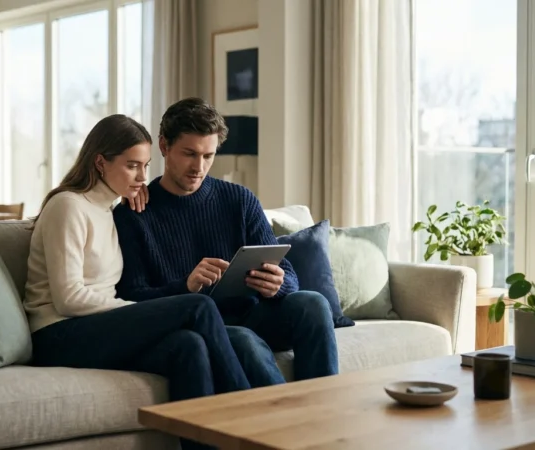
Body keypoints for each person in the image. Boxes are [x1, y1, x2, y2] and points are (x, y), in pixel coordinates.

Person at [24, 114, 251, 450]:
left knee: (189, 346)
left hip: (95, 327)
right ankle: (251, 417)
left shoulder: (110, 209)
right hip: (58, 333)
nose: (143, 177)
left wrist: (129, 196)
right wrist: (133, 308)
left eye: (146, 166)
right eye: (132, 166)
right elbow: (68, 299)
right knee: (198, 306)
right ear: (101, 162)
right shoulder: (68, 207)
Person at [112, 98, 339, 383]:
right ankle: (284, 423)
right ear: (164, 146)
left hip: (255, 313)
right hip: (204, 326)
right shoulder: (134, 213)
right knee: (243, 340)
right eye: (189, 154)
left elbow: (290, 275)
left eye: (208, 156)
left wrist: (279, 283)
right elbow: (130, 297)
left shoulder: (239, 200)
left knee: (313, 303)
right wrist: (185, 286)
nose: (199, 167)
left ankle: (325, 409)